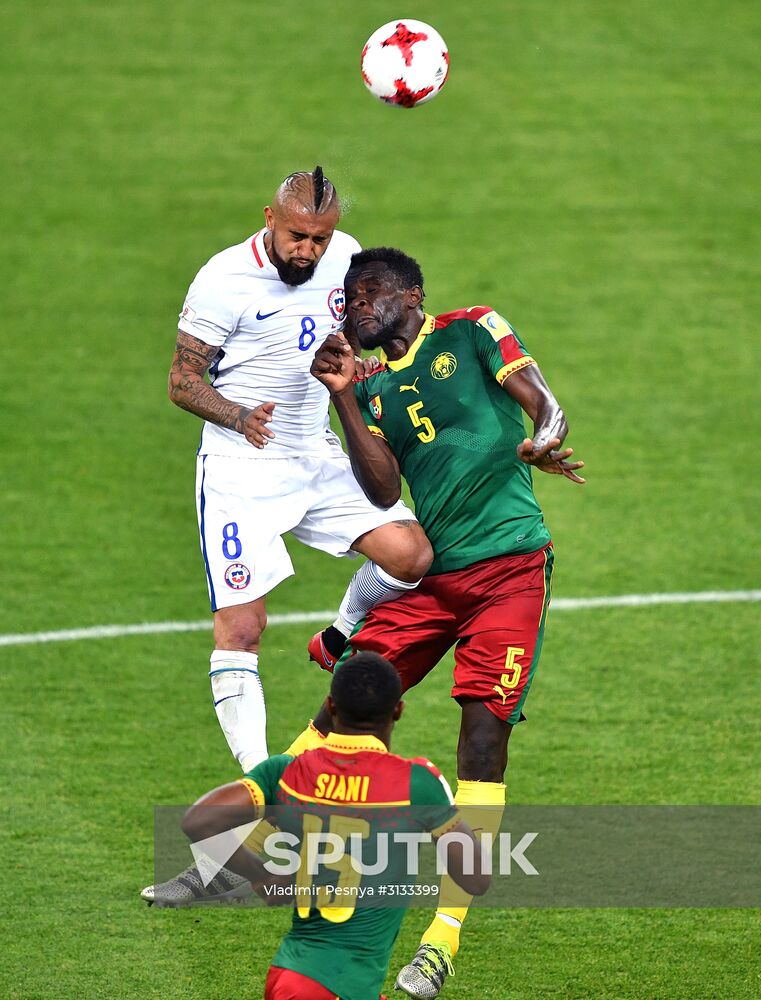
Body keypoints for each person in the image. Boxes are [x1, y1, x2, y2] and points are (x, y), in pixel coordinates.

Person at [296, 246, 584, 997]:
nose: (354, 306)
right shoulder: (375, 387)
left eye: (368, 293)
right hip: (434, 578)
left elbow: (543, 401)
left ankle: (442, 941)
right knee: (347, 699)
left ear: (410, 295)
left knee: (482, 738)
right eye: (348, 298)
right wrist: (344, 398)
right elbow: (382, 483)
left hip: (510, 571)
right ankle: (295, 844)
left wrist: (543, 438)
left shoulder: (470, 329)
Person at [142, 174, 432, 906]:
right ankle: (268, 785)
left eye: (321, 238)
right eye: (298, 234)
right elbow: (182, 380)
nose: (309, 249)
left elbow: (364, 336)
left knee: (411, 556)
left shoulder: (347, 261)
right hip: (242, 462)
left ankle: (340, 630)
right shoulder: (223, 278)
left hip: (315, 450)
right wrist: (238, 416)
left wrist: (359, 369)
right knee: (242, 628)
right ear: (270, 219)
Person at [181, 652, 489, 1000]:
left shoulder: (284, 772)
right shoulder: (416, 783)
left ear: (330, 706)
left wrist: (260, 875)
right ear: (398, 710)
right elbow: (476, 879)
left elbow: (200, 821)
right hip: (335, 988)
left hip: (293, 975)